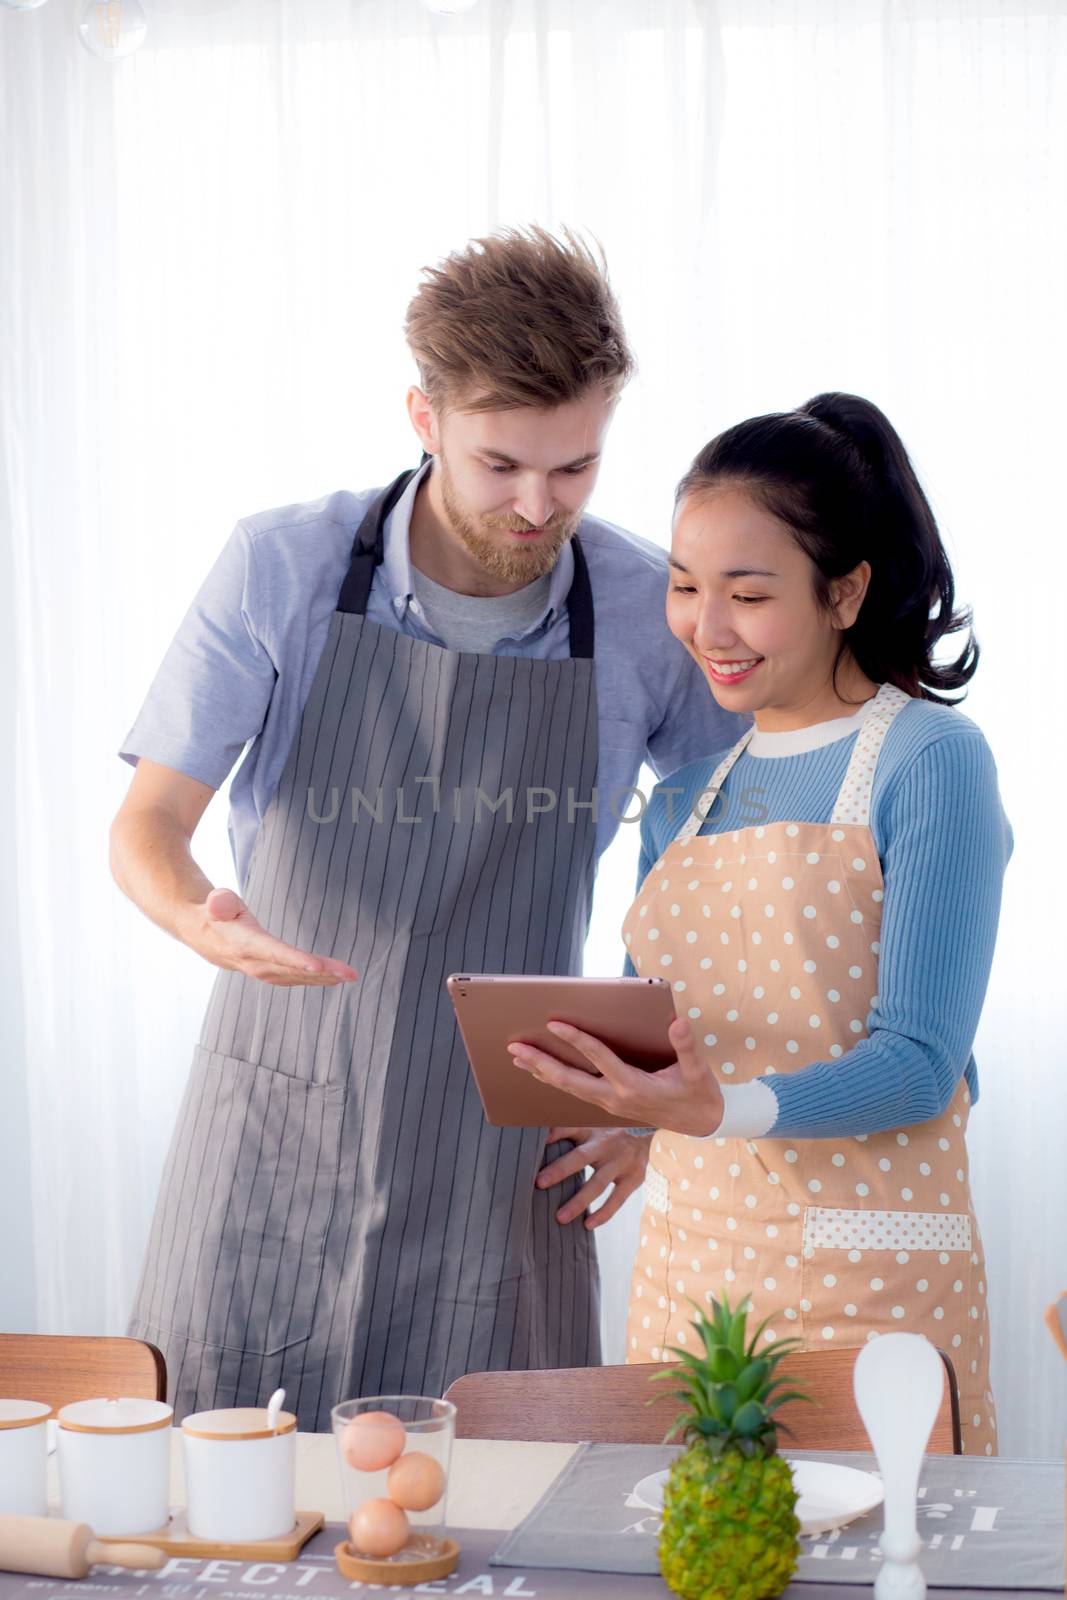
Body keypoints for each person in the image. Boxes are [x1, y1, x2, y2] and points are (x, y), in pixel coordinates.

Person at [109, 227, 746, 1427]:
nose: (535, 504)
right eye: (501, 462)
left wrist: (643, 1092)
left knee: (499, 1496)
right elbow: (146, 822)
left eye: (575, 469)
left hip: (502, 1154)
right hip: (276, 1115)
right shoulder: (279, 566)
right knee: (223, 1500)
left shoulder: (644, 604)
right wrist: (203, 919)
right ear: (423, 414)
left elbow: (726, 866)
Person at [508, 392, 1010, 1456]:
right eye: (684, 588)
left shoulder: (930, 763)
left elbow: (919, 1063)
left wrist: (710, 1108)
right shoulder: (685, 795)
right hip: (692, 1284)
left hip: (867, 1293)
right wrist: (631, 1111)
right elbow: (676, 1043)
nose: (705, 627)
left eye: (746, 592)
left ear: (844, 591)